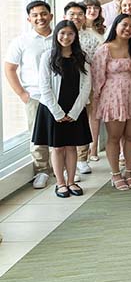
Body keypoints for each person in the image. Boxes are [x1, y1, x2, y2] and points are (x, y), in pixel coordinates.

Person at [33, 20, 92, 198]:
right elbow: (44, 86)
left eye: (70, 34)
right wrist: (57, 112)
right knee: (57, 148)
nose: (66, 37)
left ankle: (72, 181)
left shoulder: (82, 57)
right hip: (52, 109)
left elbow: (87, 86)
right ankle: (60, 183)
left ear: (75, 36)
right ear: (57, 35)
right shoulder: (47, 56)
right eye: (62, 33)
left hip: (74, 109)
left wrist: (74, 112)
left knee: (71, 147)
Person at [92, 14, 131, 191]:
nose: (128, 29)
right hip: (113, 98)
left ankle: (129, 172)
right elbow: (97, 78)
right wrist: (96, 102)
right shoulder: (104, 49)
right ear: (115, 26)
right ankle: (116, 174)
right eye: (124, 25)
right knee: (114, 137)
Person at [4, 1, 55, 188]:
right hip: (35, 95)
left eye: (43, 14)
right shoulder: (21, 41)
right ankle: (42, 171)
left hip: (59, 95)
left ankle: (62, 169)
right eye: (35, 15)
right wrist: (22, 94)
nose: (40, 18)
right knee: (37, 134)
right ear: (29, 19)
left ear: (51, 15)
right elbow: (9, 68)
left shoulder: (61, 37)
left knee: (62, 133)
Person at [64, 1, 101, 172]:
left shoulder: (91, 37)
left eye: (80, 14)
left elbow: (96, 63)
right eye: (72, 14)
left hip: (86, 84)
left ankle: (82, 158)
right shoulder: (60, 35)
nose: (76, 17)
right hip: (64, 86)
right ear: (65, 16)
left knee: (83, 121)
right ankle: (65, 163)